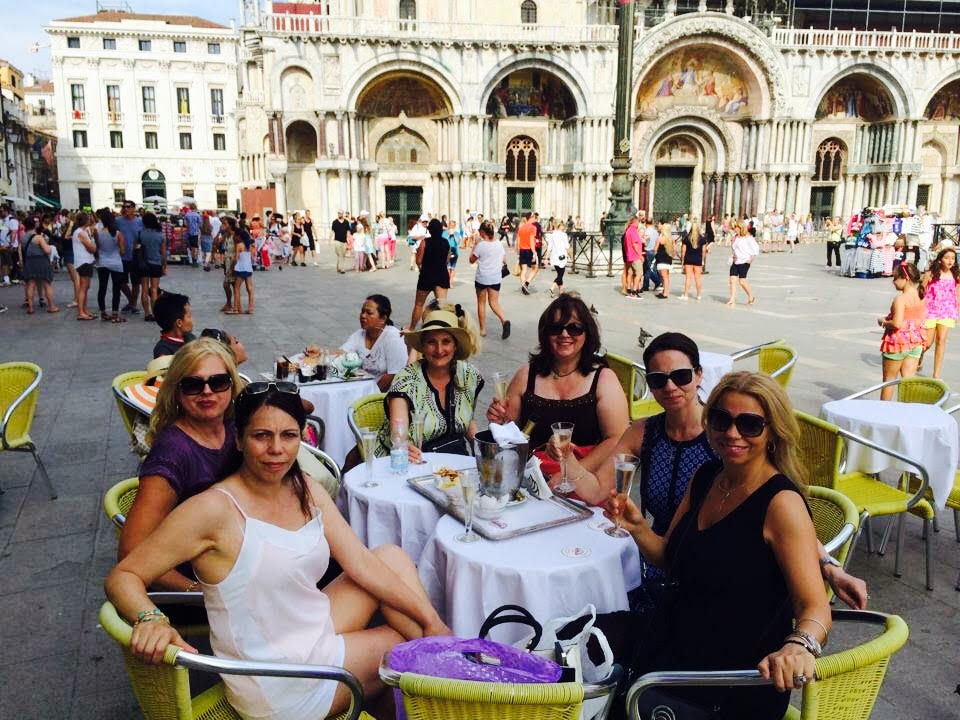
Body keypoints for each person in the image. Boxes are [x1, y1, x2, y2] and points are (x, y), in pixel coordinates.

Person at [106, 381, 450, 720]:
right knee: (407, 647)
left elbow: (359, 561)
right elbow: (125, 574)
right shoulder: (213, 510)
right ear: (238, 439)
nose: (277, 449)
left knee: (390, 558)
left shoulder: (303, 487)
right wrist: (151, 618)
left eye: (289, 435)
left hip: (301, 631)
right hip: (277, 680)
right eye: (261, 436)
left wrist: (431, 621)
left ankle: (434, 666)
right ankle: (450, 685)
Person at [606, 372, 831, 719]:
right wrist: (637, 527)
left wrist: (798, 646)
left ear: (772, 432)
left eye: (750, 424)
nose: (732, 433)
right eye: (721, 420)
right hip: (672, 652)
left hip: (729, 683)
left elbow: (814, 606)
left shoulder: (780, 503)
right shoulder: (707, 476)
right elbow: (671, 559)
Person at [118, 338, 242, 591]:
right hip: (200, 577)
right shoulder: (173, 452)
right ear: (176, 390)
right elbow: (131, 553)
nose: (207, 392)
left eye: (218, 382)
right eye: (193, 385)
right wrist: (196, 592)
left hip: (237, 557)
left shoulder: (233, 427)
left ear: (231, 385)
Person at [486, 294, 629, 504]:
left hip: (587, 483)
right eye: (556, 328)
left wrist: (569, 473)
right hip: (532, 483)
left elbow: (617, 438)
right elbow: (511, 431)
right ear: (545, 334)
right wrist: (498, 420)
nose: (564, 334)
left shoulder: (603, 379)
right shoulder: (527, 374)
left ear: (587, 333)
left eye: (574, 328)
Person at [380, 304, 483, 458]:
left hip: (456, 463)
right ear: (422, 346)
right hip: (413, 460)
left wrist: (483, 448)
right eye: (431, 342)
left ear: (455, 346)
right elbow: (398, 434)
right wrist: (402, 445)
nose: (439, 350)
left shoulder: (468, 375)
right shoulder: (407, 379)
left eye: (446, 341)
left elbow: (467, 421)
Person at [878, 263, 927, 399]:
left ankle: (883, 414)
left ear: (905, 278)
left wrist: (883, 322)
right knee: (908, 383)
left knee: (889, 381)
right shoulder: (921, 296)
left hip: (897, 343)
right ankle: (907, 413)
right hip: (915, 342)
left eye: (895, 278)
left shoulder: (900, 299)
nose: (893, 282)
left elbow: (897, 323)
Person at [340, 295, 408, 391]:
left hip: (383, 395)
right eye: (362, 311)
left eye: (369, 313)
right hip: (361, 390)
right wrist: (320, 353)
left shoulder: (394, 337)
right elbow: (341, 353)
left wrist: (369, 396)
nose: (363, 316)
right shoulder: (360, 334)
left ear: (383, 318)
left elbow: (393, 375)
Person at [920, 247, 959, 378]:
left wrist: (956, 311)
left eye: (953, 258)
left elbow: (957, 294)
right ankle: (918, 356)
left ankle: (936, 374)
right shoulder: (931, 273)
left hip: (947, 311)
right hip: (930, 311)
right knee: (927, 343)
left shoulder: (956, 275)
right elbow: (921, 292)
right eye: (947, 258)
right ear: (940, 259)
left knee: (941, 340)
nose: (950, 261)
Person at [469, 219, 511, 340]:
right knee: (494, 303)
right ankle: (504, 320)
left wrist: (475, 245)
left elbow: (471, 260)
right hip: (495, 278)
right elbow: (504, 260)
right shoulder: (498, 243)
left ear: (483, 232)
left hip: (482, 278)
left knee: (481, 303)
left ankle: (482, 330)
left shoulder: (481, 245)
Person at [408, 219, 450, 330]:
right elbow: (447, 260)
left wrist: (421, 267)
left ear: (429, 230)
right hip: (441, 275)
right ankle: (441, 328)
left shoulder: (424, 242)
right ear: (441, 230)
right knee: (442, 306)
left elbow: (418, 261)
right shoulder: (446, 242)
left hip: (426, 275)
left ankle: (412, 327)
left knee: (419, 304)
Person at [20, 216, 59, 314]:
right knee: (46, 284)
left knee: (31, 284)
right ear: (34, 225)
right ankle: (51, 306)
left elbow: (23, 249)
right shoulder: (38, 237)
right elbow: (47, 250)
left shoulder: (23, 237)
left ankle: (31, 308)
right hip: (41, 261)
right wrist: (47, 244)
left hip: (29, 262)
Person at [95, 207, 128, 323]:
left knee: (102, 288)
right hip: (116, 263)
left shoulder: (97, 232)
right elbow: (123, 251)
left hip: (102, 262)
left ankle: (103, 313)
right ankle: (115, 314)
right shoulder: (118, 233)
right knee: (116, 289)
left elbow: (97, 248)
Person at [115, 200, 143, 312]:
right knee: (121, 281)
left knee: (136, 282)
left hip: (136, 256)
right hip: (122, 256)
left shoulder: (140, 222)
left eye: (128, 206)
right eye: (124, 206)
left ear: (133, 208)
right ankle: (132, 300)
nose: (126, 208)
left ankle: (133, 304)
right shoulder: (118, 221)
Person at [139, 212, 166, 322]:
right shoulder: (160, 235)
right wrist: (164, 265)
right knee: (154, 289)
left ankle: (147, 313)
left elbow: (136, 247)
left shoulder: (141, 233)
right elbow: (163, 253)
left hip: (143, 263)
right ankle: (155, 314)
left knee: (144, 289)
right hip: (156, 263)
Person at [153, 292, 196, 358]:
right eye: (189, 316)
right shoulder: (163, 351)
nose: (192, 320)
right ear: (179, 323)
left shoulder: (190, 337)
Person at [71, 211, 97, 320]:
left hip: (84, 261)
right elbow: (92, 248)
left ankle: (84, 310)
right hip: (84, 262)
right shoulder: (81, 233)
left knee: (85, 287)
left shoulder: (81, 231)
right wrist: (94, 241)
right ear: (85, 220)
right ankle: (81, 312)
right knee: (83, 287)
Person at [727, 221, 759, 306]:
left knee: (742, 281)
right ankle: (732, 299)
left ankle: (751, 296)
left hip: (744, 261)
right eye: (735, 228)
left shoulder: (748, 238)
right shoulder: (735, 237)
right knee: (732, 280)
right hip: (735, 261)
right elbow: (734, 248)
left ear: (741, 228)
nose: (735, 229)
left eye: (737, 228)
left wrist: (751, 259)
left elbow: (756, 249)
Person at [231, 223, 255, 314]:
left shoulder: (239, 245)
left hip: (241, 269)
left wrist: (232, 259)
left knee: (237, 288)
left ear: (239, 236)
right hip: (248, 269)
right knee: (250, 288)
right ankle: (251, 308)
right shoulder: (249, 245)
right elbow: (252, 257)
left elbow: (236, 258)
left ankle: (236, 308)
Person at [546, 218, 571, 298]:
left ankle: (561, 291)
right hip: (562, 257)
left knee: (559, 273)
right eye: (563, 225)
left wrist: (546, 258)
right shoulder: (564, 235)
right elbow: (567, 247)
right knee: (560, 275)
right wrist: (571, 256)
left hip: (554, 257)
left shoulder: (552, 234)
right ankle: (552, 288)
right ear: (560, 225)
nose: (564, 226)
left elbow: (549, 247)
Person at [679, 220, 704, 300]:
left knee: (688, 277)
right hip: (698, 260)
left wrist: (682, 260)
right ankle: (699, 295)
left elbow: (683, 250)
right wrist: (702, 260)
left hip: (688, 259)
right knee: (698, 278)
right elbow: (703, 251)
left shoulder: (686, 238)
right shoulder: (702, 239)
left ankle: (686, 295)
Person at [517, 213, 539, 294]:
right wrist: (534, 252)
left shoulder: (521, 227)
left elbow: (518, 241)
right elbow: (531, 240)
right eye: (534, 217)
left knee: (524, 269)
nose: (535, 219)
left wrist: (518, 252)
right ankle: (526, 283)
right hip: (529, 250)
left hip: (522, 250)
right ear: (531, 217)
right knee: (535, 268)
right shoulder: (533, 228)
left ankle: (523, 285)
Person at [622, 214, 644, 298]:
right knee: (639, 273)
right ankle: (634, 291)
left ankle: (629, 290)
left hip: (629, 256)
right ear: (636, 221)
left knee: (630, 273)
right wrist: (640, 255)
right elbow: (635, 244)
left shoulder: (628, 230)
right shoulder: (633, 230)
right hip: (635, 256)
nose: (639, 223)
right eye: (638, 221)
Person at [653, 222, 674, 299]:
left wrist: (654, 254)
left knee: (663, 276)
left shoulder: (660, 238)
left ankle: (665, 293)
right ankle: (665, 291)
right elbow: (673, 250)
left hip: (661, 258)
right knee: (666, 276)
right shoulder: (671, 239)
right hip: (668, 258)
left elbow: (655, 249)